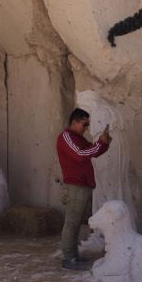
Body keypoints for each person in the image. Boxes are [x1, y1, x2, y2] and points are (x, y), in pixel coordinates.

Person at [57, 108, 111, 270]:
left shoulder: (77, 137)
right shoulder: (66, 137)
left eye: (88, 124)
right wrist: (100, 143)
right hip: (76, 186)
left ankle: (72, 255)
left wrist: (105, 143)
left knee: (75, 222)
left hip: (83, 185)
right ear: (74, 121)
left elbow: (92, 151)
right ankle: (68, 258)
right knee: (72, 223)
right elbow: (81, 154)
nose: (86, 127)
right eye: (85, 124)